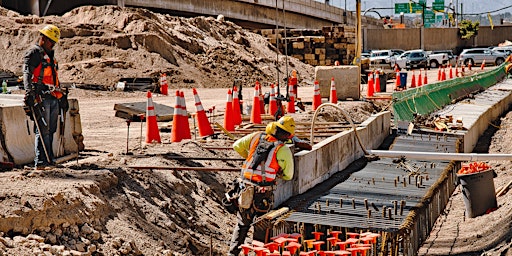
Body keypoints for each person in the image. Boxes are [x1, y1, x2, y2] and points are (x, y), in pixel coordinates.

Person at [228, 116, 296, 256]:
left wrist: (251, 158)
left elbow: (236, 146)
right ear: (288, 136)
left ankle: (232, 253)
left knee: (242, 224)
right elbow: (288, 175)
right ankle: (257, 253)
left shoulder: (256, 136)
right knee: (261, 226)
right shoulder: (282, 149)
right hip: (262, 194)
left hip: (245, 189)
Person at [23, 24, 67, 170]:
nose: (52, 45)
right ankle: (41, 162)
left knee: (51, 130)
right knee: (42, 130)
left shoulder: (50, 56)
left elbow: (54, 78)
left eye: (54, 42)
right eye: (50, 41)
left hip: (53, 97)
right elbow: (27, 75)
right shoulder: (34, 53)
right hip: (40, 97)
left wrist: (62, 97)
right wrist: (29, 93)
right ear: (42, 38)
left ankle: (49, 159)